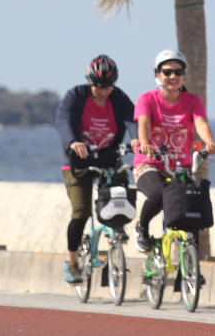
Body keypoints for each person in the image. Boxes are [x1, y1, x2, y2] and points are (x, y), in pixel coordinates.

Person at [55, 54, 138, 284]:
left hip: (107, 158)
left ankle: (117, 228)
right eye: (98, 87)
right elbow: (63, 119)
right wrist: (73, 141)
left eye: (108, 87)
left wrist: (137, 139)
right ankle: (70, 260)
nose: (103, 91)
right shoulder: (76, 95)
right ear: (89, 81)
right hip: (78, 161)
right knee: (81, 211)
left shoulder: (119, 98)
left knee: (121, 184)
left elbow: (133, 120)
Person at [132, 50, 215, 252]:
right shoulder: (147, 99)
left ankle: (189, 276)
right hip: (150, 163)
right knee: (158, 192)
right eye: (167, 72)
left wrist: (210, 142)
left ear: (184, 75)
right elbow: (143, 124)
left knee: (193, 212)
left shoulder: (192, 100)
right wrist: (145, 143)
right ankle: (141, 227)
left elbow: (201, 123)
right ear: (157, 74)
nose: (173, 77)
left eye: (178, 72)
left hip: (180, 167)